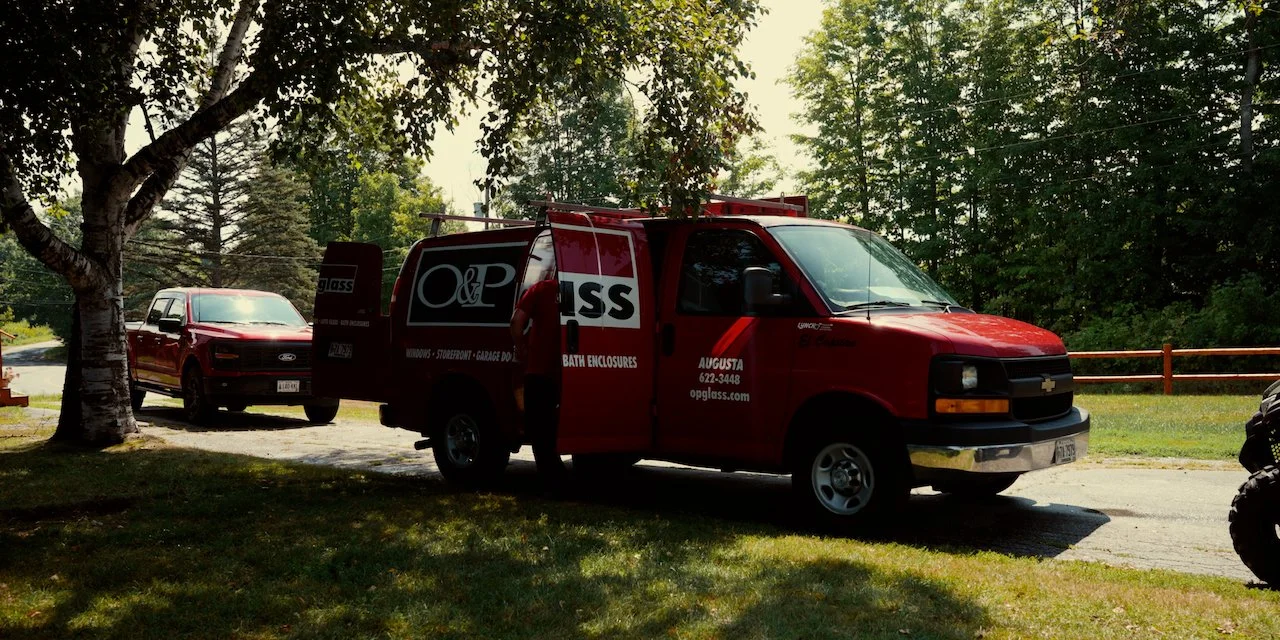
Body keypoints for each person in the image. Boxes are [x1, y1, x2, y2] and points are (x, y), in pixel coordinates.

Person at [510, 270, 565, 481]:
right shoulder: (587, 289)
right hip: (572, 370)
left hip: (539, 371)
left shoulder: (542, 289)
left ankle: (551, 479)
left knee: (540, 429)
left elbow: (516, 322)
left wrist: (521, 346)